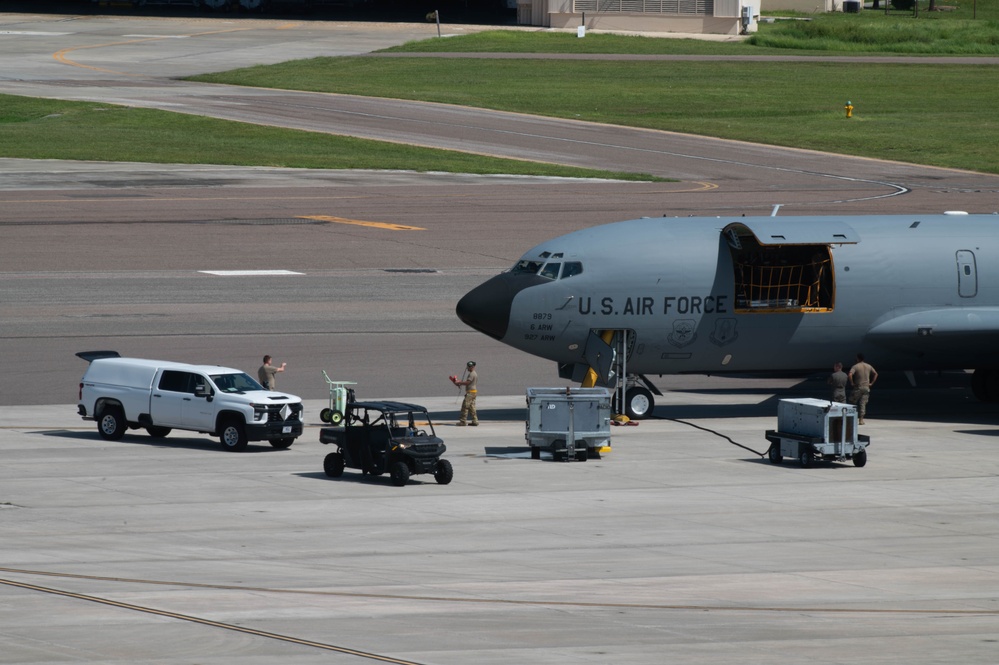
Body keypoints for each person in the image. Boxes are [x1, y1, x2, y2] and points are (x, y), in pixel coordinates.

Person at [848, 353, 878, 424]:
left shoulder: (855, 366)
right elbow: (876, 374)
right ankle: (861, 419)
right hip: (866, 387)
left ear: (858, 358)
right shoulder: (868, 366)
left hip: (858, 387)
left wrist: (852, 382)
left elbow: (850, 374)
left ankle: (852, 418)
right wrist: (871, 383)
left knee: (852, 402)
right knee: (863, 403)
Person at [450, 361, 479, 426]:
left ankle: (463, 421)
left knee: (465, 407)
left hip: (470, 393)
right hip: (473, 393)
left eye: (469, 366)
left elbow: (468, 382)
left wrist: (459, 383)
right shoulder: (474, 373)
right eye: (468, 366)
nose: (468, 368)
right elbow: (468, 382)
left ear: (473, 367)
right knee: (472, 407)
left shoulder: (472, 374)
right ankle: (475, 421)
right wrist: (460, 382)